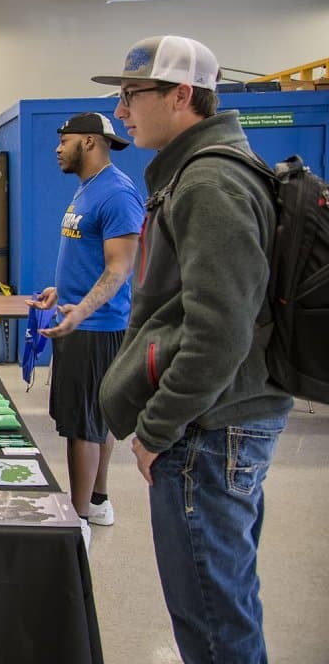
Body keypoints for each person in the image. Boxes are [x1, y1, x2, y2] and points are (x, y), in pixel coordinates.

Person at [94, 36, 292, 664]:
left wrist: (157, 427)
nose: (121, 112)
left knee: (211, 615)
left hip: (208, 429)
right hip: (216, 423)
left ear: (182, 95)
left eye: (132, 95)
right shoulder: (197, 172)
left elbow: (221, 330)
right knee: (222, 598)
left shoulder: (210, 181)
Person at [26, 112, 144, 541]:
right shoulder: (88, 191)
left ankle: (76, 523)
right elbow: (92, 261)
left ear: (90, 142)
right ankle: (97, 501)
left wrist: (82, 311)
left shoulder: (117, 195)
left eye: (65, 140)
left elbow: (119, 270)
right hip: (81, 318)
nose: (58, 148)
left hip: (96, 327)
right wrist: (62, 291)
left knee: (82, 424)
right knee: (95, 418)